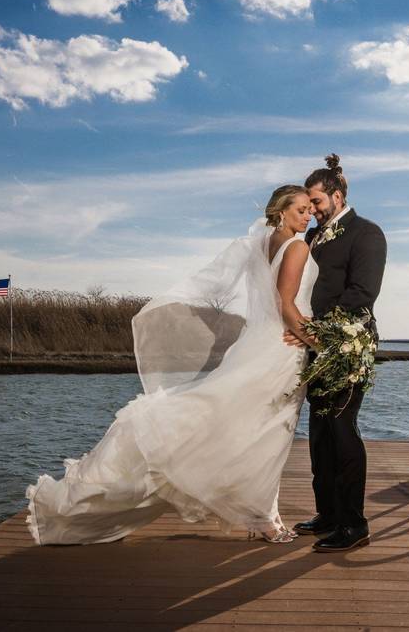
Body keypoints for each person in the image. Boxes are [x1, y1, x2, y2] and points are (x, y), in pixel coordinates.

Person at [25, 185, 317, 545]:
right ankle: (264, 520)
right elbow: (287, 307)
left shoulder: (262, 244)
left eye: (310, 209)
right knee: (268, 433)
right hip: (280, 350)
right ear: (282, 211)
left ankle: (260, 516)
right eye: (301, 209)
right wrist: (326, 343)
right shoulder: (298, 247)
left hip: (260, 343)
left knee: (253, 429)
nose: (309, 215)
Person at [287, 154, 387, 553]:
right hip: (315, 346)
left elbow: (362, 293)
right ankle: (328, 515)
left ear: (338, 195)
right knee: (319, 435)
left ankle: (355, 524)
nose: (311, 209)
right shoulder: (311, 238)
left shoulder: (367, 234)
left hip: (349, 344)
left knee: (343, 430)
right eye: (308, 203)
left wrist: (321, 331)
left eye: (316, 201)